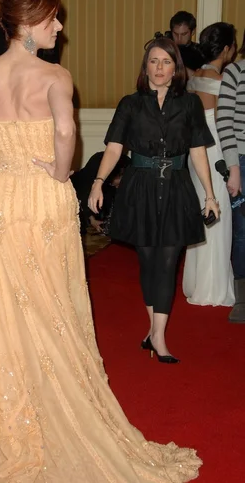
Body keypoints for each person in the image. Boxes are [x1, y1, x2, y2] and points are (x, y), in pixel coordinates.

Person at [0, 0, 202, 483]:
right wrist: (58, 170)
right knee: (53, 312)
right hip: (41, 197)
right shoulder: (55, 78)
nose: (60, 26)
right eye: (53, 17)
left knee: (8, 318)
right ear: (31, 22)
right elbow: (66, 141)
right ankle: (58, 416)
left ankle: (10, 432)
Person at [88, 36, 219, 364]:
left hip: (176, 188)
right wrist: (98, 182)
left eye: (166, 62)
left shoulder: (189, 105)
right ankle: (153, 329)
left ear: (176, 68)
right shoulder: (130, 104)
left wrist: (210, 194)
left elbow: (198, 150)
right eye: (153, 61)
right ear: (145, 66)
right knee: (148, 262)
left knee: (166, 262)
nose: (160, 68)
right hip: (140, 188)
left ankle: (158, 336)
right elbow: (115, 147)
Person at [183, 22, 237, 307]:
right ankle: (213, 288)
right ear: (227, 48)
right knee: (218, 212)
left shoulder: (194, 78)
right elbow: (227, 120)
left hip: (196, 148)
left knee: (201, 210)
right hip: (216, 146)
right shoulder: (222, 80)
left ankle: (196, 281)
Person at [217, 30, 245, 322]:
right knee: (242, 231)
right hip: (243, 162)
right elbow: (224, 121)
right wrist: (233, 168)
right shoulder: (235, 71)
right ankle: (243, 298)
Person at [70, 152, 130, 236]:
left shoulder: (127, 167)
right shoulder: (91, 173)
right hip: (77, 192)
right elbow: (84, 194)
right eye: (118, 183)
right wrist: (92, 220)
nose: (117, 187)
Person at [166, 11, 205, 77]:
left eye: (184, 34)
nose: (179, 39)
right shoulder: (166, 50)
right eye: (175, 34)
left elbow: (203, 80)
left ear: (192, 32)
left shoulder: (200, 52)